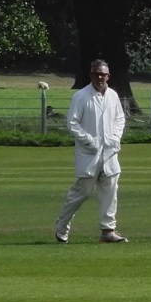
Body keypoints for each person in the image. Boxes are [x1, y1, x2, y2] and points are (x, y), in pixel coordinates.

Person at [56, 59, 129, 244]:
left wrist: (114, 137)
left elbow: (120, 119)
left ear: (108, 76)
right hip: (89, 154)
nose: (99, 77)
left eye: (103, 74)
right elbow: (72, 123)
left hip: (110, 153)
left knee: (110, 191)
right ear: (90, 75)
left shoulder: (112, 95)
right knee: (82, 192)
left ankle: (108, 230)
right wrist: (88, 140)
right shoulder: (80, 96)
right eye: (96, 74)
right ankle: (62, 224)